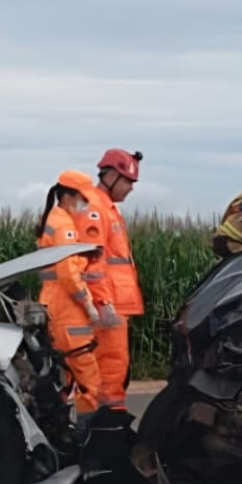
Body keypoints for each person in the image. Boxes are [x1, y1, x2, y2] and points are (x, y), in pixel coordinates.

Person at [36, 172, 103, 416]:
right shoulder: (64, 225)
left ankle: (62, 431)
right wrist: (88, 305)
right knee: (89, 383)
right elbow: (68, 274)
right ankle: (88, 437)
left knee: (65, 381)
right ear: (68, 196)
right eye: (83, 198)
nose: (85, 205)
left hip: (54, 307)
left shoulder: (53, 218)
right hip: (67, 313)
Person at [88, 148, 145, 409]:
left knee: (114, 371)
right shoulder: (96, 209)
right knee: (110, 372)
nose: (131, 188)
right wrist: (103, 302)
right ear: (109, 175)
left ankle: (109, 429)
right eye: (127, 181)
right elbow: (92, 262)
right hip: (107, 309)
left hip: (114, 307)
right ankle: (108, 431)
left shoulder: (107, 208)